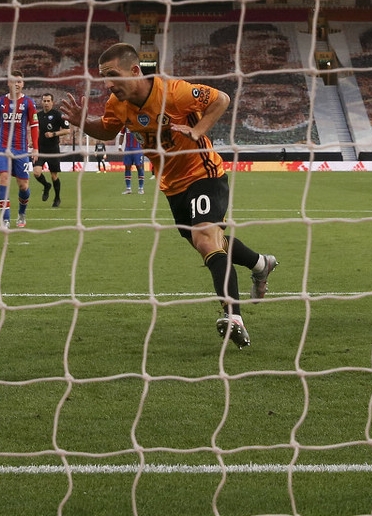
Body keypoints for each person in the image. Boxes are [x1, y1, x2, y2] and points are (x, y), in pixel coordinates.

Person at [60, 42, 278, 349]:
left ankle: (234, 317)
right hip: (172, 186)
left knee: (205, 239)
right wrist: (83, 122)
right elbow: (109, 131)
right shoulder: (117, 103)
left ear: (135, 70)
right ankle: (259, 264)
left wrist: (199, 129)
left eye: (112, 75)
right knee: (212, 243)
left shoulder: (174, 92)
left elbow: (222, 99)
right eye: (103, 77)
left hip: (204, 174)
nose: (107, 84)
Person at [0, 71, 39, 228]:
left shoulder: (29, 103)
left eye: (20, 82)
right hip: (3, 148)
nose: (17, 84)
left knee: (23, 186)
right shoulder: (0, 102)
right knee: (4, 178)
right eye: (14, 81)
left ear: (23, 84)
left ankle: (21, 213)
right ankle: (5, 219)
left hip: (21, 149)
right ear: (8, 83)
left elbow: (34, 126)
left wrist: (35, 147)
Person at [33, 92, 70, 208]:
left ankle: (57, 197)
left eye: (48, 101)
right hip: (40, 149)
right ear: (41, 102)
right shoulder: (37, 115)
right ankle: (46, 186)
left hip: (53, 149)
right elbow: (34, 130)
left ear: (52, 102)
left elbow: (67, 130)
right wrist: (33, 142)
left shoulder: (58, 115)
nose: (46, 103)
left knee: (54, 175)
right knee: (36, 172)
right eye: (44, 101)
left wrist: (54, 134)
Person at [120, 126, 145, 194]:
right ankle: (128, 188)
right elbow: (122, 135)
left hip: (138, 149)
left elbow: (144, 135)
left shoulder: (139, 123)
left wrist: (144, 146)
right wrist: (119, 146)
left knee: (139, 167)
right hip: (128, 149)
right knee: (127, 167)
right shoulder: (125, 124)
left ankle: (141, 188)